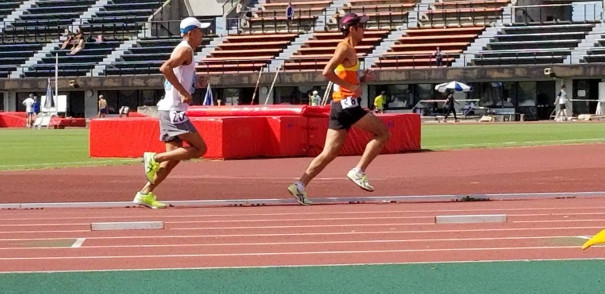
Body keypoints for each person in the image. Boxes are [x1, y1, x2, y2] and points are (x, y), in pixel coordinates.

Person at [287, 13, 391, 205]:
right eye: (362, 27)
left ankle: (300, 185)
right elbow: (327, 72)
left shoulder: (348, 49)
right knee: (382, 133)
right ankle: (358, 171)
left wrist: (360, 80)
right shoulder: (345, 47)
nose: (364, 30)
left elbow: (344, 76)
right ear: (353, 29)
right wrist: (351, 87)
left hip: (339, 106)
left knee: (330, 152)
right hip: (347, 104)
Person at [133, 17, 211, 209]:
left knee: (174, 159)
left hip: (169, 109)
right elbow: (165, 68)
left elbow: (176, 74)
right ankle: (154, 158)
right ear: (191, 32)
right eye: (201, 31)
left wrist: (194, 82)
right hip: (174, 111)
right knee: (200, 149)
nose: (203, 35)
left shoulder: (184, 49)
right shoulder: (185, 49)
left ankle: (145, 193)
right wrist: (184, 92)